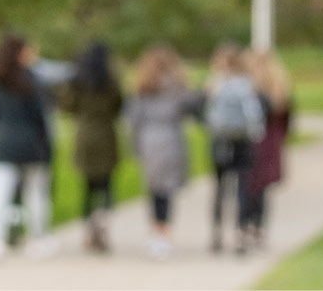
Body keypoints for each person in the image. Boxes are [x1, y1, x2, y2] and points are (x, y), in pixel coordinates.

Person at [0, 35, 54, 259]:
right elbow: (41, 116)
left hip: (5, 144)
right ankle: (37, 238)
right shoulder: (33, 81)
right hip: (32, 145)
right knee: (35, 195)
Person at [123, 46, 199, 258]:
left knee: (154, 188)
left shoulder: (143, 87)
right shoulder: (177, 86)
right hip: (172, 138)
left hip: (149, 140)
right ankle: (164, 232)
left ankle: (156, 231)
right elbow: (190, 109)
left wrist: (134, 146)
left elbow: (133, 119)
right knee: (167, 189)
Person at [53, 41, 125, 254]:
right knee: (106, 185)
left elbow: (67, 106)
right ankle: (102, 223)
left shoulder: (78, 82)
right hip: (106, 135)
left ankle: (88, 229)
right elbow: (119, 106)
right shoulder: (111, 81)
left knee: (87, 187)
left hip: (84, 136)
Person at [200, 46, 267, 255]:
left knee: (220, 189)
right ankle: (240, 232)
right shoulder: (247, 84)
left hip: (221, 141)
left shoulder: (215, 84)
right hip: (243, 141)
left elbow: (205, 113)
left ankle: (217, 232)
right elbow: (256, 112)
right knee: (242, 188)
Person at [239, 52, 296, 255]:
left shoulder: (250, 90)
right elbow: (288, 119)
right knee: (261, 189)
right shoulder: (279, 89)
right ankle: (258, 228)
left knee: (247, 186)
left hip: (252, 141)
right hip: (272, 141)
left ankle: (245, 226)